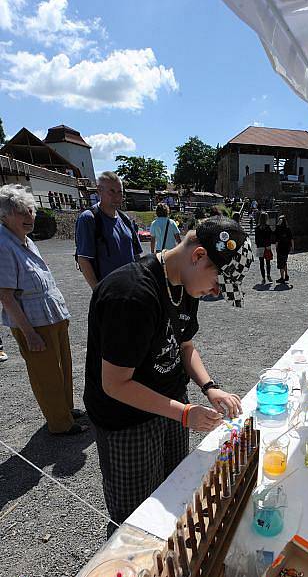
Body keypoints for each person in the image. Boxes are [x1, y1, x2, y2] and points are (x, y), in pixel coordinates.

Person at [84, 216, 254, 528]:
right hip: (127, 420)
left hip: (172, 404)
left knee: (174, 493)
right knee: (135, 516)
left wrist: (209, 386)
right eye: (217, 281)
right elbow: (116, 384)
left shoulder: (186, 283)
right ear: (199, 256)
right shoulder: (131, 295)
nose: (216, 291)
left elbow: (185, 346)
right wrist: (186, 413)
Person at [0, 185, 87, 434]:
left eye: (31, 210)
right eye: (21, 213)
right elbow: (5, 295)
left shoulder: (24, 239)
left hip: (52, 314)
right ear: (5, 216)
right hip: (34, 321)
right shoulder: (3, 245)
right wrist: (29, 333)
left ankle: (65, 410)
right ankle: (59, 424)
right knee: (45, 375)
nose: (29, 217)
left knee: (62, 368)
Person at [75, 171, 143, 290]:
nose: (117, 197)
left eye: (120, 192)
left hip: (132, 288)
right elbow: (83, 260)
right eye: (111, 192)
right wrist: (98, 291)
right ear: (99, 190)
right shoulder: (89, 219)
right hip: (109, 292)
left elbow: (136, 256)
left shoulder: (125, 219)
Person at [254, 212, 274, 283]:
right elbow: (271, 237)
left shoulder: (257, 228)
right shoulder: (268, 228)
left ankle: (263, 278)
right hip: (267, 246)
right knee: (268, 262)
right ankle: (268, 275)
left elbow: (256, 239)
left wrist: (258, 245)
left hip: (260, 246)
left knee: (261, 263)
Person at [275, 214, 294, 284]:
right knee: (284, 261)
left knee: (281, 263)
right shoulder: (288, 229)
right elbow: (291, 239)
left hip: (281, 248)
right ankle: (286, 275)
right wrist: (292, 247)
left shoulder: (278, 229)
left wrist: (276, 247)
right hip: (287, 248)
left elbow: (276, 240)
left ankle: (282, 278)